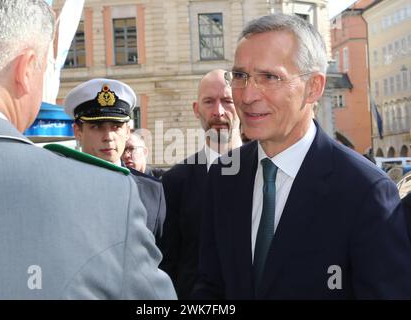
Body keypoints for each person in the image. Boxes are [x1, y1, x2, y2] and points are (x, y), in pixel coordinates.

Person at [0, 0, 175, 299]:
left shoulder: (140, 190)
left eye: (115, 127)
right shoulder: (110, 195)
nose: (108, 137)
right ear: (25, 70)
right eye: (43, 68)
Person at [193, 14, 411, 299]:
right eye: (240, 76)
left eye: (269, 77)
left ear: (314, 87)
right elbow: (210, 286)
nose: (246, 96)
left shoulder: (364, 191)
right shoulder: (224, 175)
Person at [159, 69, 240, 299]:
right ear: (197, 109)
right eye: (209, 102)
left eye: (227, 100)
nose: (218, 111)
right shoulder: (175, 182)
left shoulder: (269, 172)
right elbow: (168, 263)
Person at [65, 78, 166, 241]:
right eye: (96, 127)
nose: (108, 137)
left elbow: (164, 258)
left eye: (116, 126)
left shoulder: (152, 191)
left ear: (127, 131)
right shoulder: (60, 186)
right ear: (78, 131)